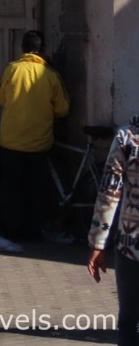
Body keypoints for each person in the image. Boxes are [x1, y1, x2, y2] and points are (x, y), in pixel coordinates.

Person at [0, 30, 70, 241]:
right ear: (42, 50)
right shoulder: (51, 75)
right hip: (39, 145)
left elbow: (0, 98)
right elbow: (63, 108)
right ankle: (33, 231)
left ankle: (12, 229)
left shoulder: (11, 69)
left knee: (11, 190)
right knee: (36, 191)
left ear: (23, 48)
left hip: (10, 142)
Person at [87, 113, 139, 346]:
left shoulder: (127, 137)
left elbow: (109, 193)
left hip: (132, 246)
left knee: (130, 321)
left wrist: (98, 243)